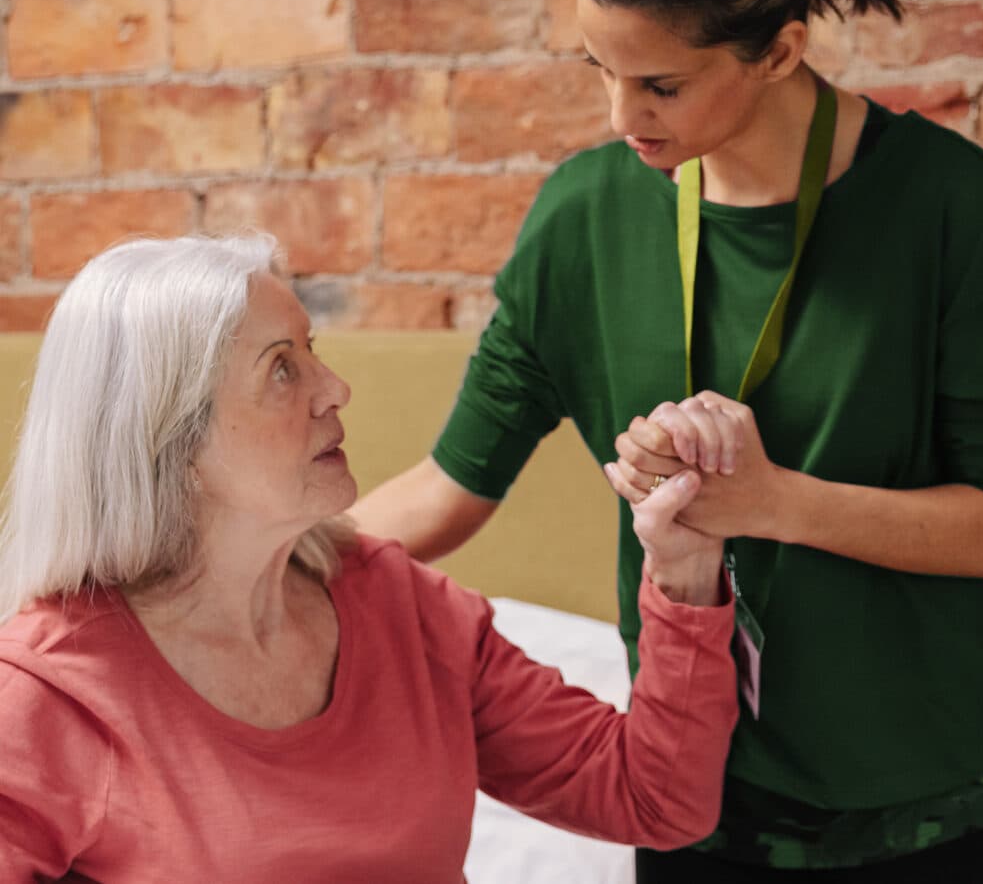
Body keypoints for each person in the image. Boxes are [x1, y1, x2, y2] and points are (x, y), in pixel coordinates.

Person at [353, 0, 983, 879]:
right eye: (600, 70)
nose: (620, 116)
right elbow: (444, 487)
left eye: (659, 85)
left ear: (780, 50)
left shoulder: (952, 208)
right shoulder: (585, 214)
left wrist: (770, 502)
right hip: (692, 808)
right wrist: (208, 572)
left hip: (934, 813)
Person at [0, 233, 738, 881]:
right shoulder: (50, 692)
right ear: (175, 441)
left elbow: (655, 798)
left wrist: (684, 567)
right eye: (282, 368)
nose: (336, 390)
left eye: (311, 352)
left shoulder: (398, 603)